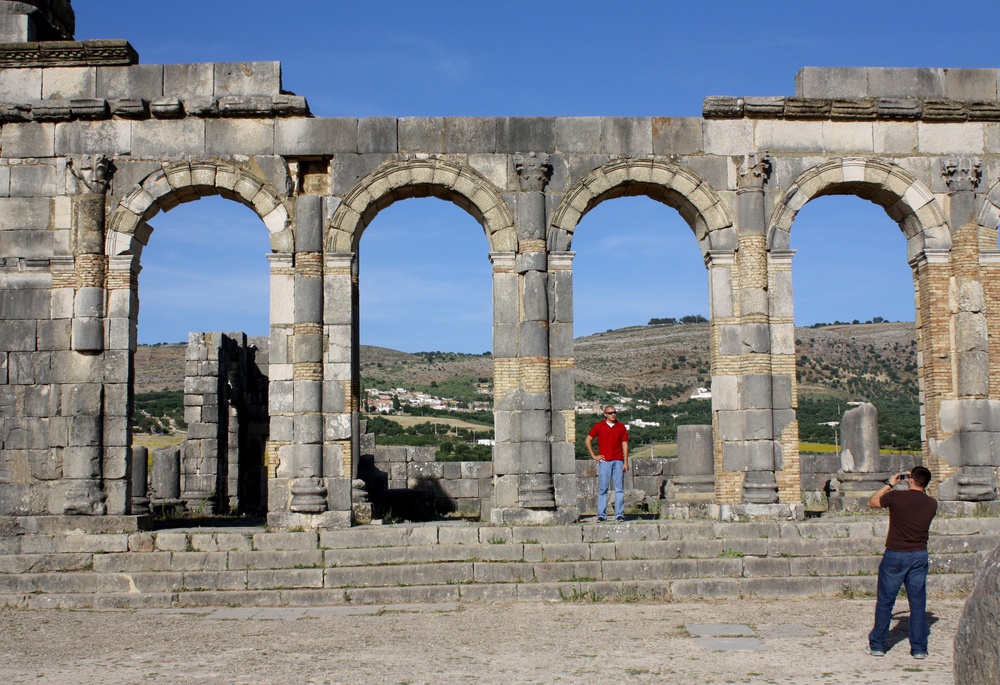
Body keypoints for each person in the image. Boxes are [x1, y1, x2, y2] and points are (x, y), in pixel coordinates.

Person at [866, 466, 938, 659]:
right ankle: (919, 648)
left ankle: (878, 645)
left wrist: (890, 484)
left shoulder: (896, 497)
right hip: (919, 555)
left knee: (885, 602)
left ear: (911, 479)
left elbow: (872, 502)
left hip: (896, 555)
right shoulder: (932, 504)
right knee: (917, 604)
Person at [585, 405, 629, 522]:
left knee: (619, 489)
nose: (613, 414)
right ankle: (601, 515)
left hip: (618, 461)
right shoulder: (599, 426)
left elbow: (625, 444)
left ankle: (619, 514)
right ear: (605, 414)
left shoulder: (621, 427)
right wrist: (594, 455)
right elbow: (588, 440)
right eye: (610, 413)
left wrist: (626, 461)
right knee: (603, 489)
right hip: (604, 461)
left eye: (614, 412)